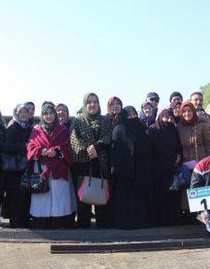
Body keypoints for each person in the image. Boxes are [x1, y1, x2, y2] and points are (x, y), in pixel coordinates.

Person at [27, 102, 76, 228]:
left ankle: (59, 222)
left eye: (51, 113)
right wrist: (42, 151)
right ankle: (42, 222)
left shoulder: (62, 130)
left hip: (59, 169)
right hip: (42, 169)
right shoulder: (36, 130)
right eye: (45, 114)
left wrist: (56, 152)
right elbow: (31, 146)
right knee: (42, 197)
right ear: (42, 116)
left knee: (59, 198)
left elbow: (67, 147)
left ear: (54, 114)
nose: (48, 116)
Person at [70, 93, 114, 228]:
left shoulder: (106, 120)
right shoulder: (78, 121)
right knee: (84, 195)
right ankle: (83, 224)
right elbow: (74, 140)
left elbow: (110, 136)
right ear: (85, 104)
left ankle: (102, 224)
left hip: (102, 162)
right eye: (89, 102)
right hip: (83, 162)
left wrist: (97, 147)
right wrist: (89, 149)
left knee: (101, 191)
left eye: (95, 101)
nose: (92, 104)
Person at [110, 106, 154, 229]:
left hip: (142, 174)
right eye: (129, 115)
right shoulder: (118, 130)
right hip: (124, 175)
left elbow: (148, 150)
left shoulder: (142, 129)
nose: (132, 117)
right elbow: (116, 153)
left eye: (134, 114)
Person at [147, 107, 183, 226]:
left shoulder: (174, 130)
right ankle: (161, 222)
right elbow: (156, 149)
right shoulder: (153, 130)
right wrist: (172, 159)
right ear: (160, 117)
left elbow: (179, 146)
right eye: (165, 117)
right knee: (161, 198)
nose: (168, 120)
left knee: (174, 197)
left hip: (172, 170)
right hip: (158, 171)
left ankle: (174, 221)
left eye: (171, 118)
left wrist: (177, 158)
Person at [2, 103, 33, 228]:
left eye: (26, 112)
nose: (24, 114)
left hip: (25, 168)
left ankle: (24, 221)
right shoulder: (12, 128)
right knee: (15, 196)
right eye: (21, 112)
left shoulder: (28, 127)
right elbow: (6, 146)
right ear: (16, 114)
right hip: (14, 170)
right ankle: (15, 223)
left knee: (25, 196)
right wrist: (23, 146)